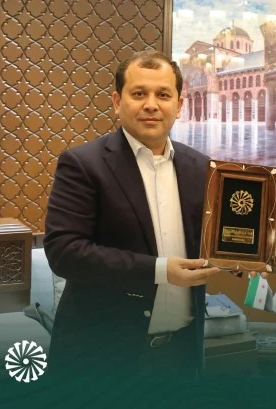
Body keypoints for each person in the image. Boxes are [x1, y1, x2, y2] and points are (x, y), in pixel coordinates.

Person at [43, 49, 219, 379]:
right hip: (100, 359)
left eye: (163, 95)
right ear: (117, 101)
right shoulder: (83, 165)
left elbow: (223, 240)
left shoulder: (202, 168)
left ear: (179, 105)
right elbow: (64, 253)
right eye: (139, 94)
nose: (151, 104)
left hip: (181, 357)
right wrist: (160, 271)